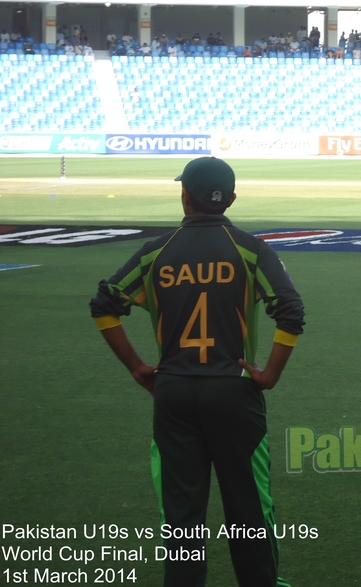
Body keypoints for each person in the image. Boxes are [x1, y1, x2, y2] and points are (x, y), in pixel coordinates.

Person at [90, 157, 304, 587]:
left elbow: (105, 303)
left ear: (184, 194)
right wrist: (270, 374)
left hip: (174, 392)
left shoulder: (156, 252)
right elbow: (291, 310)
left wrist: (137, 367)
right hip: (234, 392)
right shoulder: (250, 248)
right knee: (249, 511)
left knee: (182, 517)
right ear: (232, 199)